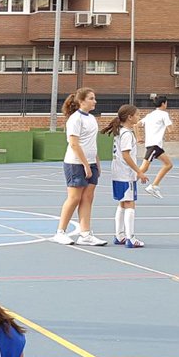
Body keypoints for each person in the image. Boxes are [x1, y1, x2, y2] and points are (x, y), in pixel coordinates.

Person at [53, 87, 107, 246]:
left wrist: (96, 162)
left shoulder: (92, 118)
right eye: (91, 98)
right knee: (74, 197)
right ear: (81, 101)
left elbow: (91, 143)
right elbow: (74, 144)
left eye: (94, 98)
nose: (94, 101)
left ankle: (85, 234)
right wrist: (85, 165)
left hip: (90, 163)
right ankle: (60, 232)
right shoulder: (75, 119)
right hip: (75, 163)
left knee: (88, 197)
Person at [103, 105, 148, 248]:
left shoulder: (120, 131)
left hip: (117, 172)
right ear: (130, 117)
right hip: (125, 173)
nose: (139, 117)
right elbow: (126, 155)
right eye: (137, 115)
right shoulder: (127, 134)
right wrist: (139, 171)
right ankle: (130, 238)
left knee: (122, 203)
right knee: (130, 203)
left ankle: (119, 235)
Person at [139, 96, 173, 198]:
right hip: (154, 145)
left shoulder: (150, 115)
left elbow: (136, 124)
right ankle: (128, 183)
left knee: (168, 165)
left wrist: (138, 137)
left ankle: (154, 186)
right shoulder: (164, 114)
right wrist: (170, 124)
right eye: (166, 103)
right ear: (163, 103)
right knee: (144, 168)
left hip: (156, 146)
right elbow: (171, 130)